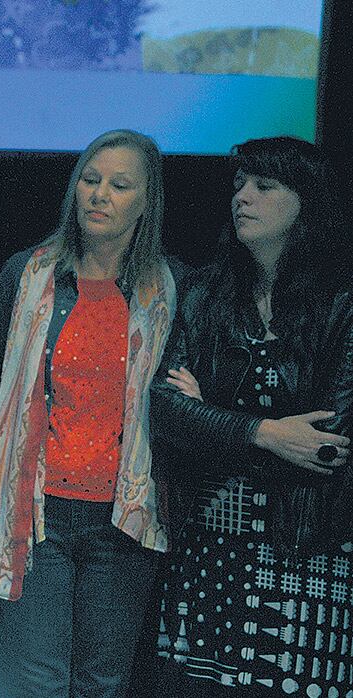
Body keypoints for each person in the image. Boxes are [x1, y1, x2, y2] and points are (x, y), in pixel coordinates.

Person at [0, 129, 184, 697]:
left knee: (102, 682)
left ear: (146, 200)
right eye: (90, 181)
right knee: (39, 681)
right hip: (40, 514)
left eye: (119, 186)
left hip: (123, 520)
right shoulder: (29, 274)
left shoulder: (172, 288)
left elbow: (182, 399)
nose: (99, 195)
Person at [151, 137, 353, 696]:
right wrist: (265, 431)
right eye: (239, 184)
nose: (243, 197)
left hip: (307, 541)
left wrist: (211, 417)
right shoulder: (205, 292)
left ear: (306, 202)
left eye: (264, 186)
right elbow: (167, 412)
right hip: (211, 540)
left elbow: (328, 445)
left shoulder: (341, 302)